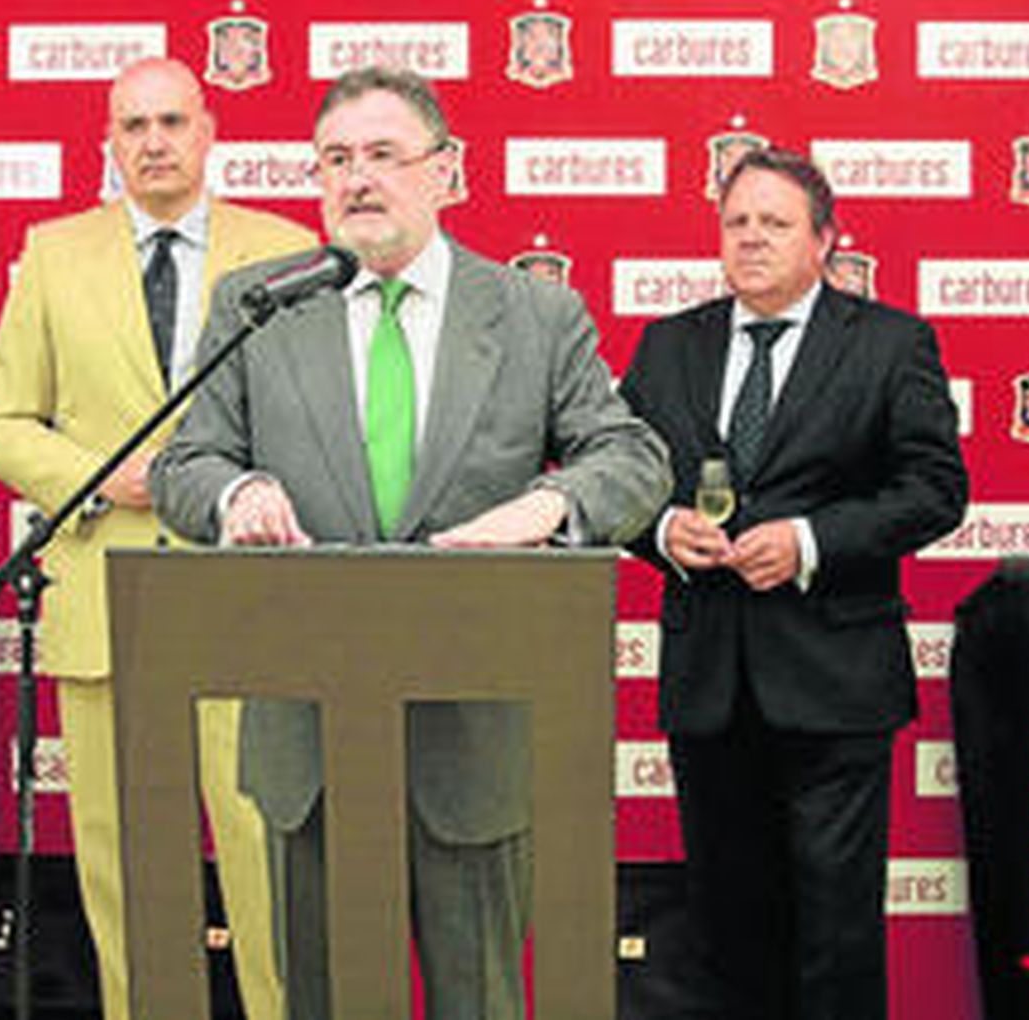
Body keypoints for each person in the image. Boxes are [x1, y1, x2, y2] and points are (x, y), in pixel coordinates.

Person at [151, 66, 669, 1020]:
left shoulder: (532, 314)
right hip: (308, 734)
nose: (357, 179)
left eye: (384, 155)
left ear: (449, 172)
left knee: (482, 1002)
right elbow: (188, 463)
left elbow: (633, 458)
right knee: (324, 1001)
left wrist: (550, 509)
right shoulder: (259, 305)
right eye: (337, 159)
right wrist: (238, 488)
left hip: (471, 735)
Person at [0, 57, 315, 1020]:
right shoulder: (51, 252)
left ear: (209, 134)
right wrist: (95, 478)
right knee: (129, 864)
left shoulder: (286, 248)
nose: (154, 141)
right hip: (103, 595)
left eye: (172, 121)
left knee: (266, 853)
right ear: (107, 145)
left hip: (248, 599)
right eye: (133, 126)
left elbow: (320, 421)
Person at [618, 148, 968, 1020]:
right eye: (736, 222)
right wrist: (664, 530)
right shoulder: (669, 345)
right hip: (710, 685)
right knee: (729, 931)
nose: (751, 240)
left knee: (836, 936)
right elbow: (618, 481)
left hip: (835, 683)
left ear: (825, 240)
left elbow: (935, 492)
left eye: (774, 223)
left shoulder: (891, 343)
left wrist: (811, 540)